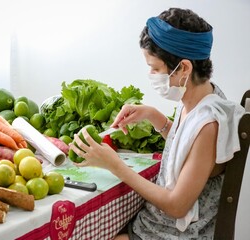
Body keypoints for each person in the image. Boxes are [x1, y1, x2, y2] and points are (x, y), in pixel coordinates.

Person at [69, 8, 245, 239]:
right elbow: (189, 150)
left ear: (183, 68)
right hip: (155, 223)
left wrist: (115, 165)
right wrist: (154, 116)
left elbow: (177, 206)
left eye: (155, 68)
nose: (151, 74)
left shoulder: (208, 123)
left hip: (170, 233)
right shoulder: (201, 97)